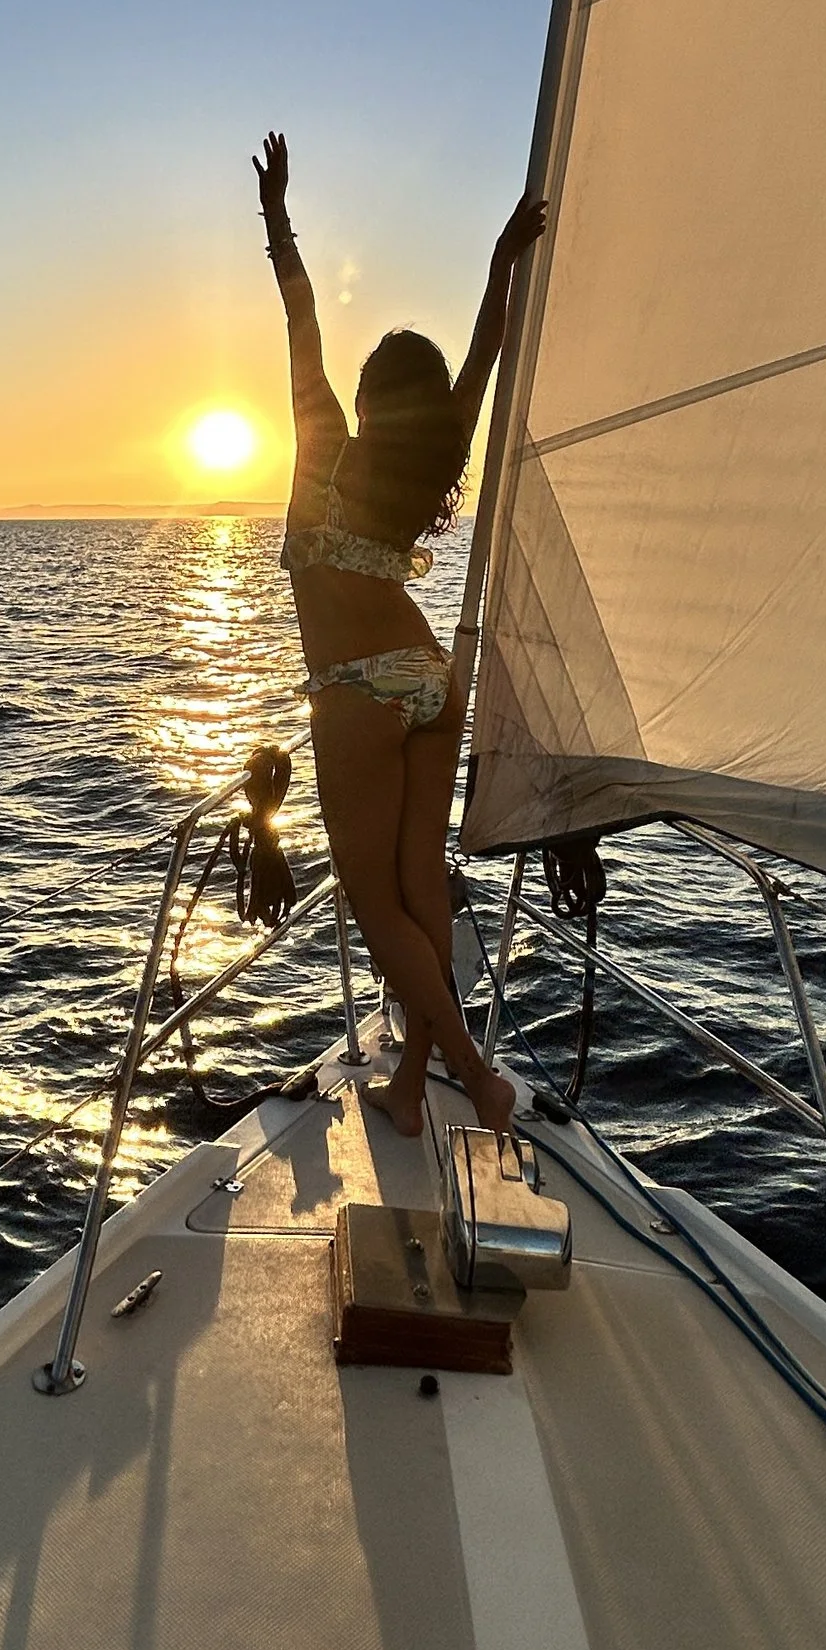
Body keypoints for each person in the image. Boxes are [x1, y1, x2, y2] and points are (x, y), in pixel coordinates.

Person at [254, 132, 545, 1138]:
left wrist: (277, 214)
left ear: (369, 400)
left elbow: (299, 316)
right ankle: (415, 1090)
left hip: (358, 691)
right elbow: (488, 350)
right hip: (431, 677)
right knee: (421, 896)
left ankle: (474, 1074)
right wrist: (503, 257)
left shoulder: (324, 446)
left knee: (380, 913)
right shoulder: (434, 458)